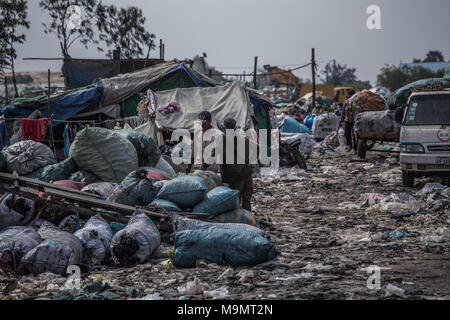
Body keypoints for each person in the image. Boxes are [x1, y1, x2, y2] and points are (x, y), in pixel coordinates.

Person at [218, 118, 254, 212]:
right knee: (247, 200)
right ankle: (247, 221)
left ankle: (237, 221)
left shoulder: (222, 140)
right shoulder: (242, 139)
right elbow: (256, 148)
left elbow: (213, 155)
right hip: (246, 173)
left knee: (235, 201)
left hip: (234, 177)